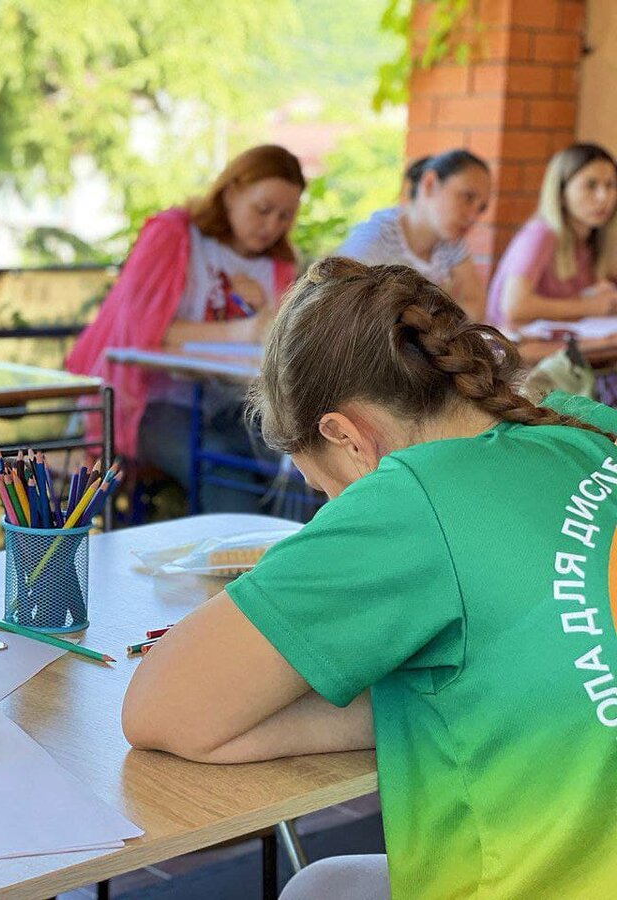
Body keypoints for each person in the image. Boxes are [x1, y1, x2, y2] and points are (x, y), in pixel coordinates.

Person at [123, 257, 617, 898]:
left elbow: (162, 709)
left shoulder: (412, 496)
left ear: (345, 435)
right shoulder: (586, 429)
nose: (335, 514)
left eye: (327, 490)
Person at [65, 145, 304, 511]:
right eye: (263, 209)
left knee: (298, 457)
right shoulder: (174, 234)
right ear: (232, 191)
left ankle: (298, 559)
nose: (272, 225)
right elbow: (145, 333)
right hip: (148, 402)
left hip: (229, 402)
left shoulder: (278, 265)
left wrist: (261, 317)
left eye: (285, 216)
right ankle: (240, 566)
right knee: (220, 461)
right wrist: (246, 329)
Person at [339, 149, 490, 320]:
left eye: (481, 208)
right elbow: (346, 313)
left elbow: (476, 308)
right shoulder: (373, 238)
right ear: (429, 183)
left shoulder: (451, 242)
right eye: (467, 197)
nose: (473, 217)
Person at [487, 142, 617, 329]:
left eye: (611, 185)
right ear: (562, 193)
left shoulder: (596, 237)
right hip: (517, 351)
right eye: (591, 185)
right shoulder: (540, 234)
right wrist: (589, 306)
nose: (604, 197)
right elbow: (514, 306)